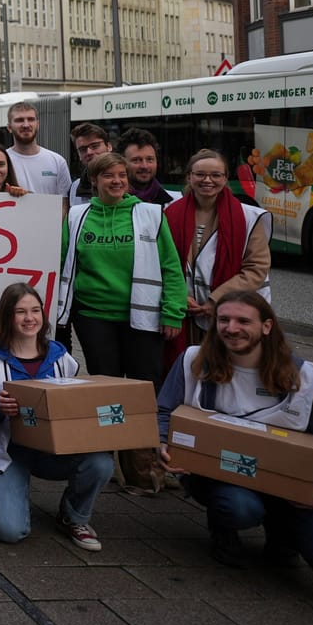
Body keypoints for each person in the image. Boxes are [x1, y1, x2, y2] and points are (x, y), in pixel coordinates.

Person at [157, 291, 313, 569]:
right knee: (239, 508)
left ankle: (283, 531)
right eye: (223, 320)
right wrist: (160, 444)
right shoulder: (194, 360)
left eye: (243, 321)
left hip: (287, 484)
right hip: (219, 476)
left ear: (267, 327)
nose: (231, 329)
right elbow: (163, 411)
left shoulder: (305, 375)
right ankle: (224, 530)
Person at [57, 152, 188, 495]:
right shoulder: (76, 215)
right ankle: (109, 463)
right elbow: (61, 261)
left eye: (121, 176)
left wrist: (173, 311)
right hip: (93, 317)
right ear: (94, 182)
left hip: (142, 317)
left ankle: (143, 469)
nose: (116, 181)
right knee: (108, 392)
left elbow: (171, 267)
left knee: (145, 392)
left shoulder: (150, 214)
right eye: (108, 176)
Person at [0, 283, 113, 550]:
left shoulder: (62, 358)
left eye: (35, 310)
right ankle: (10, 493)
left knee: (101, 464)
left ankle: (73, 517)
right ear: (7, 316)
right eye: (20, 312)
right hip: (10, 451)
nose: (29, 318)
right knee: (9, 531)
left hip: (54, 452)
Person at [165, 149, 273, 353]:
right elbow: (161, 262)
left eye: (216, 175)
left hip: (231, 313)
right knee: (186, 373)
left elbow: (256, 269)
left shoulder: (249, 217)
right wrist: (178, 296)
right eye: (200, 174)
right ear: (189, 177)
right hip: (182, 312)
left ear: (225, 178)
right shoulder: (169, 212)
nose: (208, 180)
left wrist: (217, 300)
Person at [6, 102, 72, 201]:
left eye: (31, 119)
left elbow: (64, 203)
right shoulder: (1, 162)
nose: (26, 125)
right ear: (9, 127)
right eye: (19, 120)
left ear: (38, 124)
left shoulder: (57, 161)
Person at [120, 128, 176, 205]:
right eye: (136, 160)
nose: (144, 166)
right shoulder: (110, 201)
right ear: (121, 163)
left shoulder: (173, 202)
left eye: (150, 159)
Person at [68, 122, 112, 206]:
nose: (89, 152)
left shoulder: (127, 180)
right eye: (83, 149)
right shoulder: (75, 187)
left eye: (95, 146)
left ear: (109, 146)